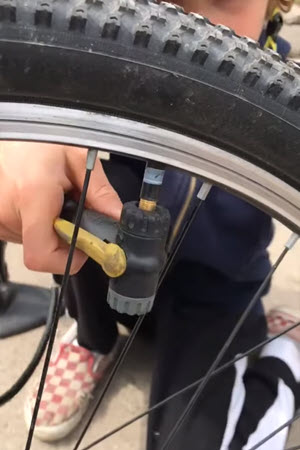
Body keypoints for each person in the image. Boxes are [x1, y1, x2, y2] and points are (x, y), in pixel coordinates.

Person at [0, 1, 299, 449]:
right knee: (74, 204)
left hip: (211, 299)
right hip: (106, 274)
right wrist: (27, 136)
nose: (187, 26)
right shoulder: (120, 52)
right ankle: (91, 339)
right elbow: (46, 64)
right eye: (167, 2)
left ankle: (286, 356)